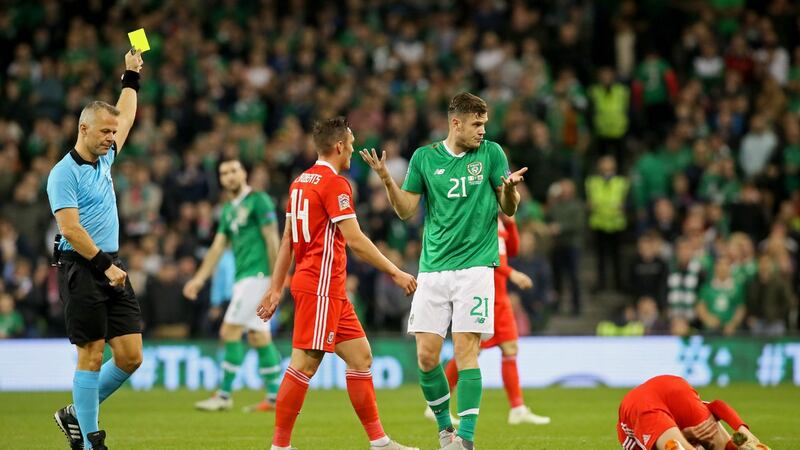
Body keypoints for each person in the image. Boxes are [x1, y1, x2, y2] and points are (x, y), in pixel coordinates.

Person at [361, 92, 527, 450]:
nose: (483, 130)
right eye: (476, 124)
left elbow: (508, 208)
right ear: (456, 123)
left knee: (467, 351)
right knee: (426, 356)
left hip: (476, 268)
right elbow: (406, 211)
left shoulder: (492, 154)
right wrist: (388, 180)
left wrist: (511, 191)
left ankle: (464, 440)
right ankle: (444, 430)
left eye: (485, 124)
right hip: (433, 269)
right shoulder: (424, 158)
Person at [256, 117, 418, 450]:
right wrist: (396, 272)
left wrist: (276, 288)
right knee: (305, 362)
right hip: (320, 285)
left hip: (327, 287)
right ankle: (280, 446)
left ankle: (380, 442)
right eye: (352, 143)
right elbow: (356, 240)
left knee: (361, 357)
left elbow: (288, 238)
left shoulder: (300, 182)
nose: (355, 149)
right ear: (339, 146)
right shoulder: (334, 184)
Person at [47, 50, 144, 450]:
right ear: (83, 128)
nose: (112, 138)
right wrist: (105, 266)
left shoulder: (104, 158)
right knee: (90, 353)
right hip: (82, 266)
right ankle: (89, 441)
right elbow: (70, 228)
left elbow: (127, 113)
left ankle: (75, 411)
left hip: (111, 266)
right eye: (105, 132)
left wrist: (131, 76)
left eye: (113, 133)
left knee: (130, 356)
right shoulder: (62, 174)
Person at [424, 214, 550, 426]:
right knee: (470, 351)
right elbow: (483, 256)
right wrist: (512, 274)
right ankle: (435, 405)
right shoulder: (479, 215)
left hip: (500, 298)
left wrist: (510, 222)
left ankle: (517, 408)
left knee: (510, 348)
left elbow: (513, 250)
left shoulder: (500, 219)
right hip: (481, 292)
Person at [182, 157, 282, 412]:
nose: (229, 176)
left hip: (258, 276)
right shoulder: (227, 210)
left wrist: (277, 280)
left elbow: (272, 239)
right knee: (259, 336)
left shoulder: (259, 201)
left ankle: (224, 395)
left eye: (234, 170)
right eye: (224, 172)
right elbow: (217, 247)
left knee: (230, 331)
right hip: (244, 278)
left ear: (244, 172)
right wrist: (199, 278)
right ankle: (274, 397)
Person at [617, 375, 771, 450]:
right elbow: (717, 405)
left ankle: (740, 442)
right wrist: (741, 428)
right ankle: (740, 442)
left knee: (677, 443)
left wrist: (742, 430)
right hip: (672, 390)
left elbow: (717, 405)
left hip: (662, 393)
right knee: (709, 438)